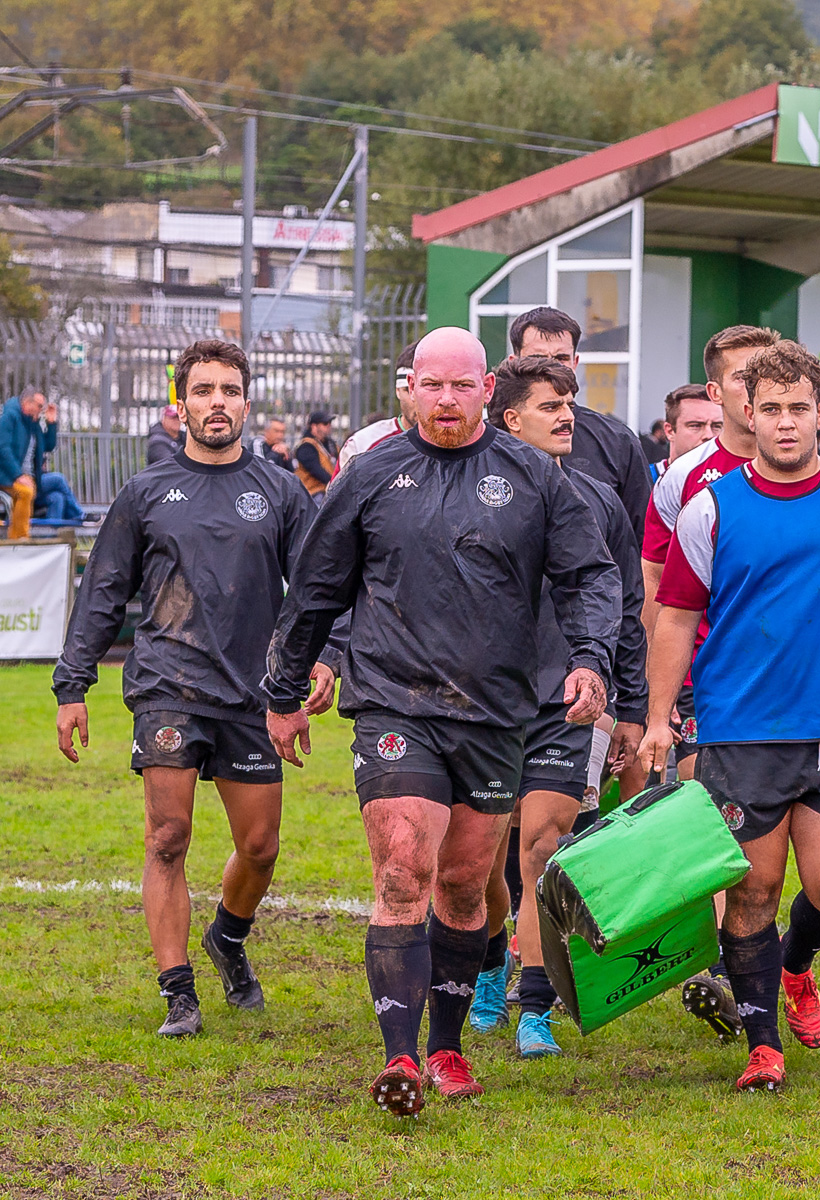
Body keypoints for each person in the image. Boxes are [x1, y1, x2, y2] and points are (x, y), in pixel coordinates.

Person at [261, 326, 621, 1116]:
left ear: (487, 388)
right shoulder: (368, 476)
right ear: (410, 389)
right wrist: (284, 690)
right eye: (432, 386)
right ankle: (398, 1059)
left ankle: (449, 1046)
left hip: (496, 711)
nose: (447, 401)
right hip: (395, 702)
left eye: (461, 386)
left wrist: (590, 657)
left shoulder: (534, 476)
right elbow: (316, 589)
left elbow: (589, 574)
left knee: (463, 886)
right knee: (400, 868)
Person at [638, 339, 820, 1093]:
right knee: (753, 893)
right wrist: (656, 716)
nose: (783, 423)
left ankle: (797, 965)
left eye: (797, 409)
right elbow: (674, 618)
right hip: (740, 734)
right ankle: (762, 1047)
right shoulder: (710, 507)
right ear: (747, 411)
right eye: (768, 409)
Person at [52, 340, 318, 1037]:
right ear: (182, 404)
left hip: (254, 695)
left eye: (230, 390)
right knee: (167, 837)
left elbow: (319, 592)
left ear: (247, 402)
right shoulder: (145, 494)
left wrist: (323, 661)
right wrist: (72, 683)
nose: (217, 403)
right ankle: (179, 993)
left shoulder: (281, 491)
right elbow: (103, 592)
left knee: (260, 847)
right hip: (168, 685)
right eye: (203, 391)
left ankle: (227, 938)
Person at [476, 356, 647, 1059]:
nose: (568, 414)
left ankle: (536, 1009)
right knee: (479, 859)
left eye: (570, 401)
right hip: (478, 703)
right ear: (511, 417)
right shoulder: (470, 489)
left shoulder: (598, 499)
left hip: (565, 703)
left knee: (543, 847)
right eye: (551, 404)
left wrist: (631, 703)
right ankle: (490, 964)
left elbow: (628, 608)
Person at [636, 325, 777, 1037]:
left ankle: (759, 962)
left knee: (773, 848)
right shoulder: (686, 476)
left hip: (788, 689)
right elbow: (656, 587)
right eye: (743, 377)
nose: (758, 391)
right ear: (716, 390)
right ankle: (720, 968)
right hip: (707, 683)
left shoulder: (813, 470)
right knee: (711, 815)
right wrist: (665, 689)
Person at [506, 306, 652, 543]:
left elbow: (642, 540)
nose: (550, 368)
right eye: (538, 359)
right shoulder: (487, 439)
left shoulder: (616, 442)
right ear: (514, 362)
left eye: (561, 359)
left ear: (575, 362)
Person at [336, 341, 419, 475]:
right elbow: (339, 495)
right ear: (397, 391)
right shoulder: (362, 445)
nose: (417, 400)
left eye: (428, 389)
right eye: (408, 390)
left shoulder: (461, 445)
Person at [3, 390, 53, 535]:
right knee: (25, 491)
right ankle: (19, 538)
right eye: (39, 406)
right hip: (7, 475)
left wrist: (52, 423)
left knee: (57, 498)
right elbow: (3, 448)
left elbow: (48, 446)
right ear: (27, 403)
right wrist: (18, 475)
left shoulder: (31, 422)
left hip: (29, 476)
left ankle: (50, 539)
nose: (41, 410)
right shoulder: (10, 417)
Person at [658, 383, 722, 480]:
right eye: (695, 426)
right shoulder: (643, 480)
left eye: (716, 426)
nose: (709, 435)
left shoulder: (734, 481)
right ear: (670, 431)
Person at [292, 411, 338, 500]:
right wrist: (335, 483)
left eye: (330, 423)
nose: (329, 426)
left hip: (327, 490)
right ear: (314, 426)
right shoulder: (306, 446)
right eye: (325, 423)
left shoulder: (330, 444)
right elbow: (316, 470)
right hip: (312, 493)